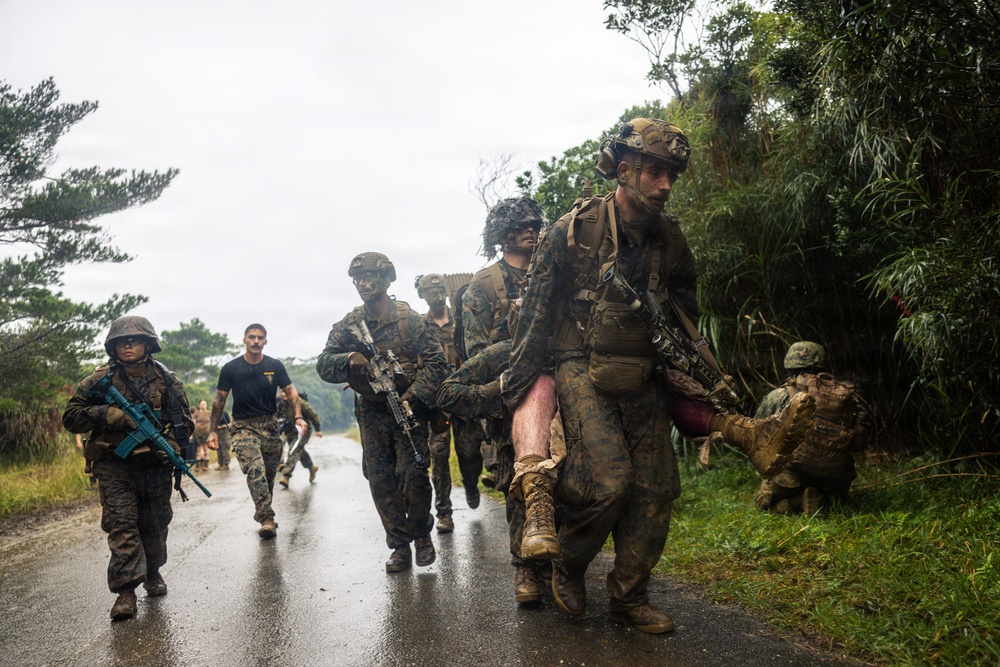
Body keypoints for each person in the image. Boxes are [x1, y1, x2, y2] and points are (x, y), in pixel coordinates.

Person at [502, 118, 816, 633]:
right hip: (580, 364)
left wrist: (693, 375)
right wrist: (520, 396)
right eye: (655, 172)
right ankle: (568, 567)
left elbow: (685, 315)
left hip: (645, 369)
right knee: (608, 483)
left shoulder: (671, 239)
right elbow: (535, 319)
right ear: (624, 171)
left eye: (672, 174)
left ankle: (629, 598)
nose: (666, 184)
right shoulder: (570, 232)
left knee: (655, 488)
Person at [317, 252, 450, 573]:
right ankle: (399, 545)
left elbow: (437, 364)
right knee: (380, 479)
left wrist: (412, 395)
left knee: (414, 476)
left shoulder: (410, 320)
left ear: (386, 279)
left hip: (408, 409)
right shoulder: (349, 325)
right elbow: (323, 364)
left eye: (369, 277)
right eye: (357, 279)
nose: (362, 284)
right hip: (371, 412)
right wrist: (349, 358)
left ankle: (421, 534)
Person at [62, 316, 194, 621]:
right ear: (113, 346)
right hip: (115, 465)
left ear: (148, 344)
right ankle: (125, 591)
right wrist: (108, 414)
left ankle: (153, 571)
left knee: (155, 523)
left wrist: (172, 445)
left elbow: (182, 422)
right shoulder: (99, 380)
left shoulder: (167, 380)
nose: (128, 345)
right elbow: (71, 417)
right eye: (122, 341)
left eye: (135, 340)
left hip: (154, 466)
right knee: (121, 524)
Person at [462, 197, 544, 490]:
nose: (530, 231)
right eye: (521, 226)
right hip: (510, 391)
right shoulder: (483, 284)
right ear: (503, 234)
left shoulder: (548, 272)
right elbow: (477, 352)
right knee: (518, 482)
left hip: (553, 382)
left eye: (534, 225)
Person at [207, 323, 306, 540]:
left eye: (260, 338)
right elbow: (219, 400)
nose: (256, 341)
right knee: (256, 469)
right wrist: (212, 431)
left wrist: (298, 416)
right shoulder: (231, 368)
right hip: (243, 427)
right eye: (251, 337)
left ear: (265, 341)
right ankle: (267, 518)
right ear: (244, 340)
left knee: (268, 476)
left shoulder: (274, 366)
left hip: (269, 426)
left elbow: (290, 391)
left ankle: (264, 510)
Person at [755, 342, 870, 515]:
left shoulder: (780, 395)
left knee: (764, 505)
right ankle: (823, 499)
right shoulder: (844, 396)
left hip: (791, 476)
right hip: (834, 477)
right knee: (837, 500)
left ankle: (797, 500)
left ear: (789, 362)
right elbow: (859, 443)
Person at [415, 272, 483, 532]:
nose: (436, 295)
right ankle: (444, 512)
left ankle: (471, 483)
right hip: (437, 403)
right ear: (422, 295)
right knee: (439, 454)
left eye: (439, 290)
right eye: (430, 291)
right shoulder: (420, 326)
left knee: (470, 451)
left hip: (463, 395)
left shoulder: (460, 319)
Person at [278, 388, 323, 488]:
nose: (284, 394)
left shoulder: (299, 402)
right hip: (290, 432)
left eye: (285, 391)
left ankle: (286, 476)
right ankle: (311, 467)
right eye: (281, 392)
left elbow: (313, 415)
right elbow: (276, 416)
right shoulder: (281, 405)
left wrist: (318, 430)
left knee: (294, 450)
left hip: (303, 431)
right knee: (299, 452)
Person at [192, 400, 212, 471]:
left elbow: (213, 422)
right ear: (199, 405)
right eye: (202, 404)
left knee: (205, 448)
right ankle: (198, 466)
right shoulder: (196, 413)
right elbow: (193, 423)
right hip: (197, 432)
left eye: (205, 404)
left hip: (206, 432)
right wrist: (191, 434)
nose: (203, 405)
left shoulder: (209, 413)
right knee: (198, 449)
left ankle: (205, 465)